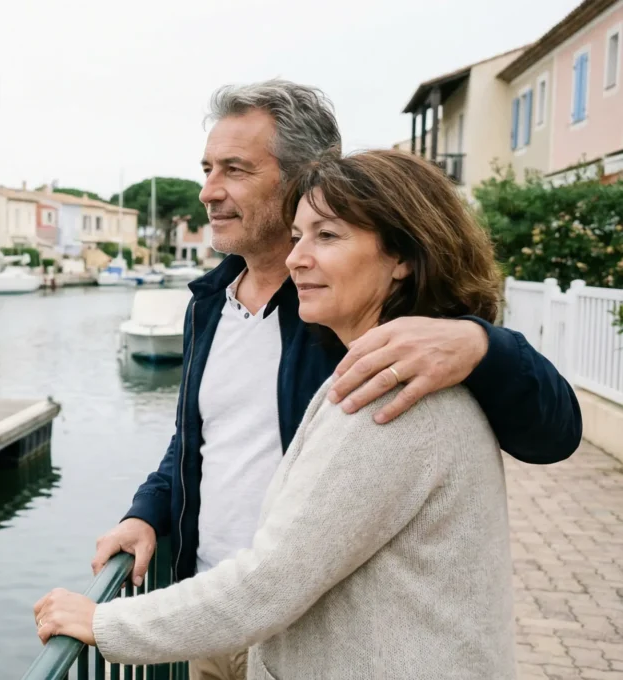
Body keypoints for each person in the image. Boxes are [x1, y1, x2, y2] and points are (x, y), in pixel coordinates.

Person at [35, 81, 582, 680]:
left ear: (296, 179)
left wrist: (482, 343)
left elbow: (553, 433)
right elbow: (197, 440)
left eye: (235, 170)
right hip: (209, 611)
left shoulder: (386, 354)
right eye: (207, 168)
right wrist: (147, 514)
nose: (208, 191)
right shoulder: (208, 303)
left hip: (305, 625)